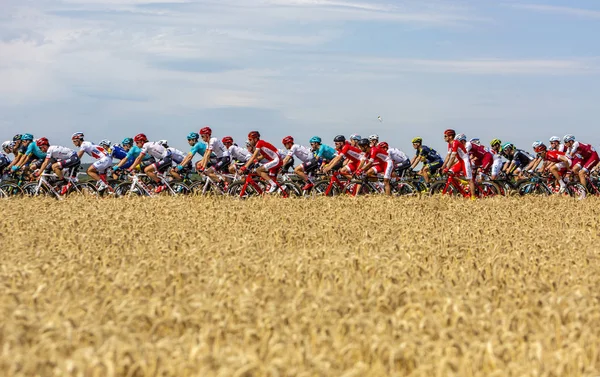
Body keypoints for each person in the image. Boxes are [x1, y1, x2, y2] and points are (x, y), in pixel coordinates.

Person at [441, 129, 476, 199]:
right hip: (460, 161)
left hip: (465, 161)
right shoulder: (449, 144)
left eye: (445, 136)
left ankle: (473, 197)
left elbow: (453, 157)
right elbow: (448, 157)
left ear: (450, 136)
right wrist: (443, 167)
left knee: (470, 179)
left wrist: (447, 167)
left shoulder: (455, 143)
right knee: (450, 173)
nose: (444, 138)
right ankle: (462, 182)